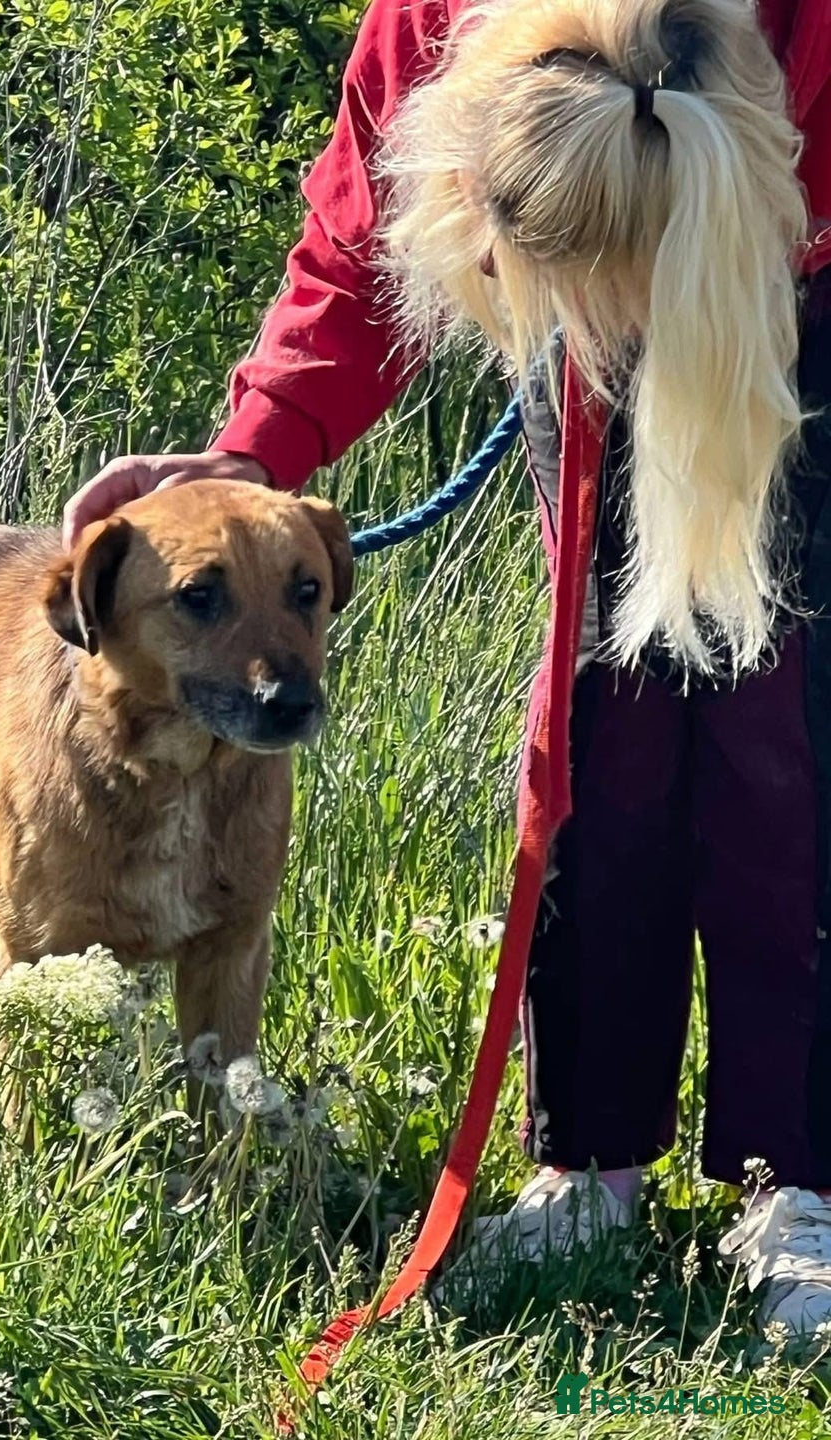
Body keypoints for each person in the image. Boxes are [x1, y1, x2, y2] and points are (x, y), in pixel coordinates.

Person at [64, 0, 831, 1335]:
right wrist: (250, 455)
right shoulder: (435, 18)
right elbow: (357, 247)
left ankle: (806, 1179)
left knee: (794, 746)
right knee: (604, 730)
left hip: (803, 301)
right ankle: (587, 1159)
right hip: (607, 234)